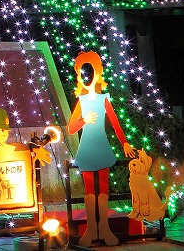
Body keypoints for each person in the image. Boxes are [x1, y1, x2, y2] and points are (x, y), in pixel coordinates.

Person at [67, 51, 135, 246]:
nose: (86, 77)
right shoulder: (81, 101)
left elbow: (115, 122)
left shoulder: (103, 98)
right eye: (82, 73)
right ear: (79, 76)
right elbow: (71, 128)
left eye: (89, 71)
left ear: (97, 73)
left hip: (101, 146)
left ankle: (104, 229)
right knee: (90, 191)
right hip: (87, 147)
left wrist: (124, 143)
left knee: (102, 190)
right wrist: (83, 120)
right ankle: (91, 229)